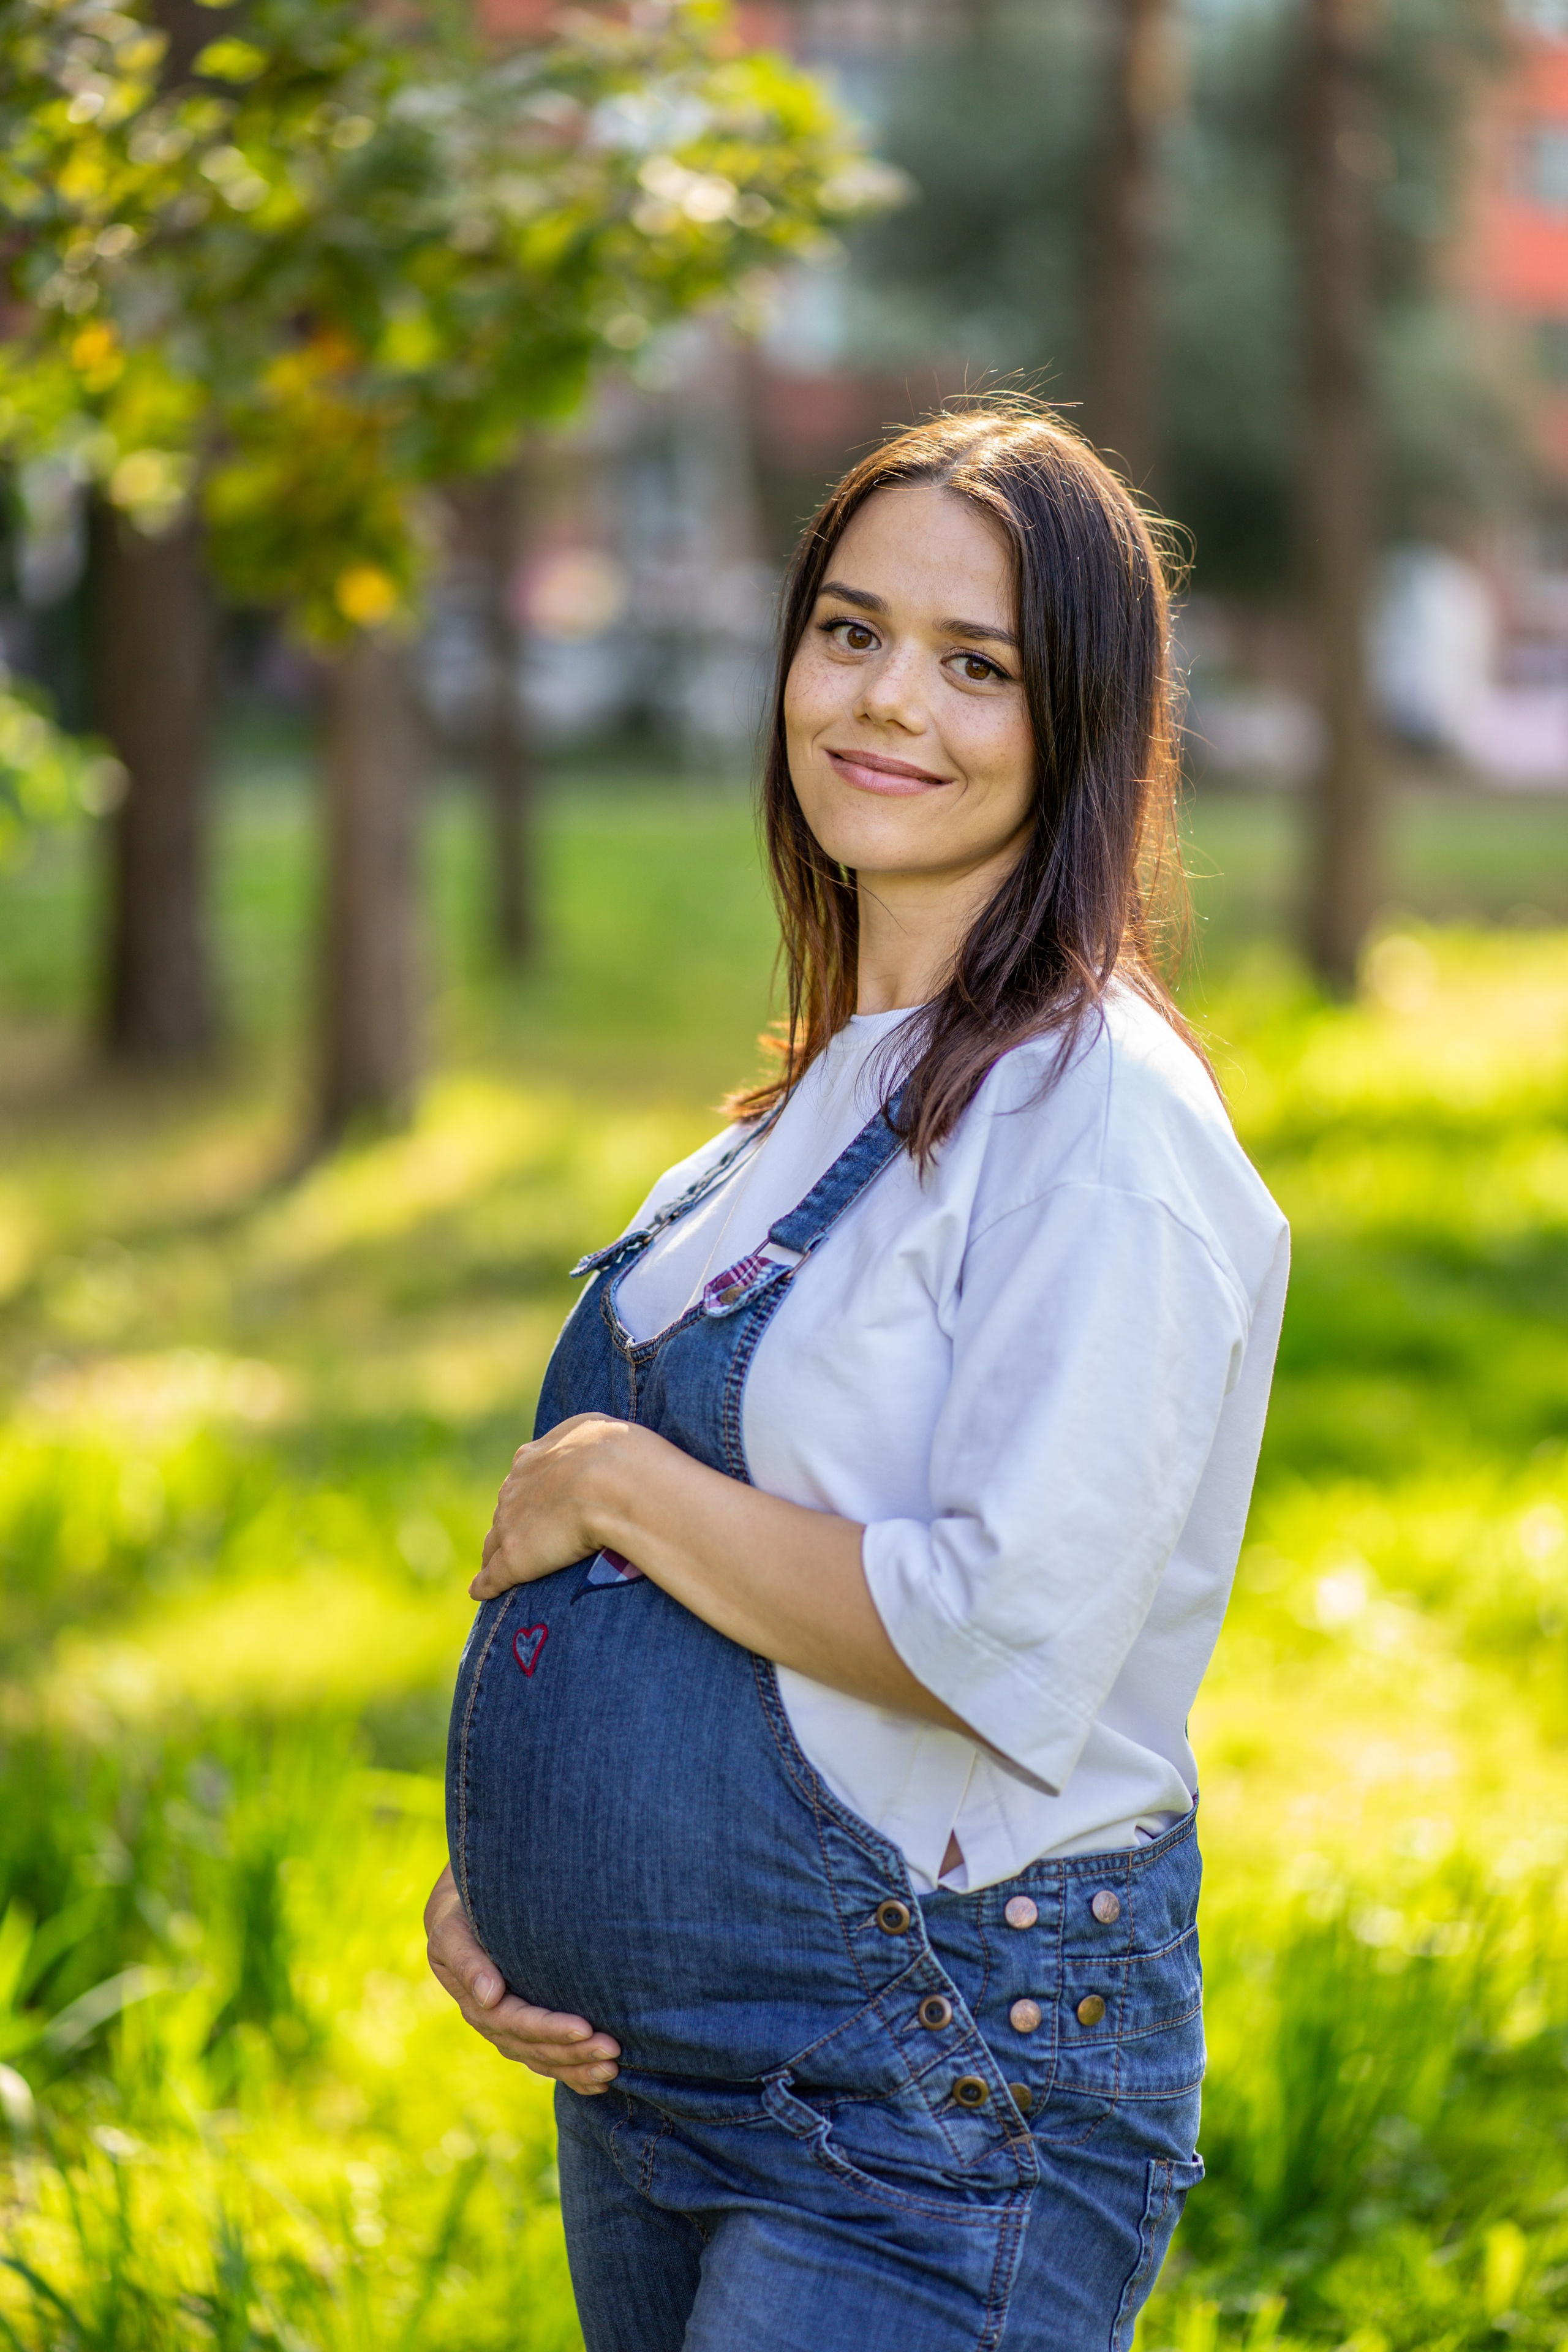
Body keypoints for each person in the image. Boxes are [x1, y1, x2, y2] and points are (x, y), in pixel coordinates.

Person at [423, 404, 1289, 2351]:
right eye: (850, 631)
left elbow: (1001, 1630)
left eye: (977, 665)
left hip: (934, 2098)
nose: (889, 701)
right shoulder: (804, 1108)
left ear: (1080, 720)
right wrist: (513, 1881)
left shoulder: (1106, 1129)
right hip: (655, 2080)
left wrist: (615, 1484)